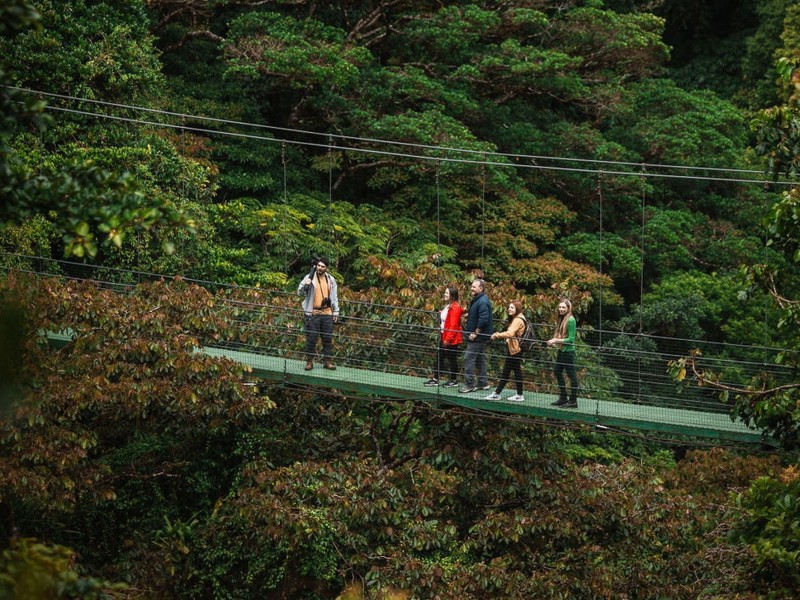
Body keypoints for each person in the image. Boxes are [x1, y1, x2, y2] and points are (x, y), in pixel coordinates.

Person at [298, 256, 339, 370]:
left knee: (327, 338)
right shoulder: (309, 277)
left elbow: (334, 296)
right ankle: (309, 362)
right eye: (319, 266)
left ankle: (327, 361)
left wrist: (336, 311)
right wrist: (305, 284)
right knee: (311, 338)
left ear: (326, 268)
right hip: (313, 312)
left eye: (322, 266)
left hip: (327, 312)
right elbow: (299, 292)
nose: (320, 268)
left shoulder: (330, 279)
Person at [484, 300, 526, 402]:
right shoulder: (520, 317)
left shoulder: (517, 320)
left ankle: (498, 394)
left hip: (515, 350)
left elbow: (510, 333)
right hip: (515, 349)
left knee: (508, 372)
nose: (509, 309)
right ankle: (517, 394)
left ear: (517, 309)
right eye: (509, 307)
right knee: (512, 372)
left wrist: (496, 335)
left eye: (512, 308)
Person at [423, 286, 463, 388]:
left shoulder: (455, 307)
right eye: (445, 293)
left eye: (447, 293)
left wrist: (447, 339)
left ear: (452, 295)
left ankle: (453, 380)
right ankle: (436, 378)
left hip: (450, 339)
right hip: (444, 335)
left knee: (451, 359)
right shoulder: (448, 305)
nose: (445, 295)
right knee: (440, 357)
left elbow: (454, 325)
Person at [459, 279, 493, 393]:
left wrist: (475, 333)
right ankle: (483, 383)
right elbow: (478, 313)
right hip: (480, 336)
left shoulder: (482, 301)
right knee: (479, 359)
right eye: (471, 286)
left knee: (468, 359)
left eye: (474, 287)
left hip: (478, 336)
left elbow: (484, 318)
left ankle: (469, 385)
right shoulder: (478, 300)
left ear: (481, 288)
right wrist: (469, 315)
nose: (471, 288)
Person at [547, 299, 578, 408]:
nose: (561, 309)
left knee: (572, 376)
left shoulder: (571, 320)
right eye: (560, 307)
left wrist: (555, 340)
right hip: (562, 350)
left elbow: (571, 339)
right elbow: (561, 336)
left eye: (563, 307)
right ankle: (563, 397)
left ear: (568, 308)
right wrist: (554, 340)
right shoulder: (562, 319)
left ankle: (573, 400)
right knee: (557, 371)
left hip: (568, 352)